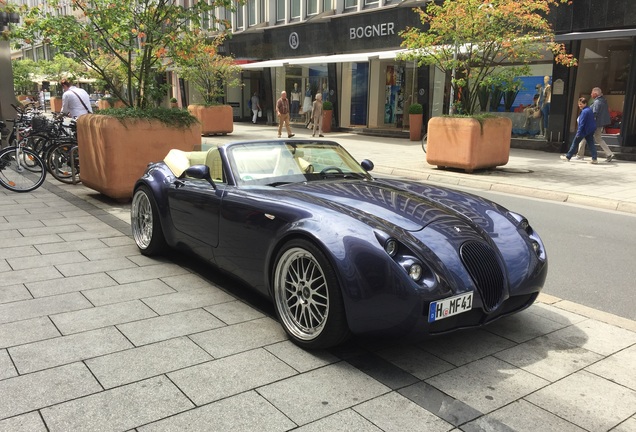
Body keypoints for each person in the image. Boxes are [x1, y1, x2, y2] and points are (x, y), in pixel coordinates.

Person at [576, 87, 616, 162]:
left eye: (592, 93)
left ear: (595, 94)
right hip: (600, 124)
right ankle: (609, 153)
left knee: (583, 137)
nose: (591, 94)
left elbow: (594, 113)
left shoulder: (597, 102)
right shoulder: (603, 101)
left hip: (594, 124)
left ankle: (580, 155)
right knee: (598, 139)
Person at [561, 97, 598, 164]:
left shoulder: (584, 112)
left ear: (585, 104)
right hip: (590, 130)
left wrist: (579, 132)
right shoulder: (589, 110)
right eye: (579, 104)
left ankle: (568, 156)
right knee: (591, 144)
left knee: (575, 143)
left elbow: (582, 123)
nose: (579, 105)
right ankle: (594, 158)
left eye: (581, 104)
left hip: (584, 130)